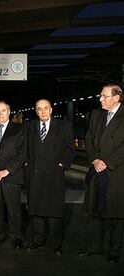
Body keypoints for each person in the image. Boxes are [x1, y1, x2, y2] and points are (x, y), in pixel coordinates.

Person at [80, 84, 124, 263]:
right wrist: (94, 160)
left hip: (116, 171)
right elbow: (89, 138)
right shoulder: (96, 115)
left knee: (116, 214)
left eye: (104, 96)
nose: (100, 99)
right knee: (94, 211)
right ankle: (93, 247)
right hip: (96, 169)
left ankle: (114, 251)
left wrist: (107, 162)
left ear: (117, 98)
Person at [24, 99, 75, 255]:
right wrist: (26, 165)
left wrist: (63, 164)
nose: (43, 112)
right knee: (36, 209)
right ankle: (38, 239)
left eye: (46, 108)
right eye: (39, 109)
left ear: (51, 110)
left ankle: (55, 243)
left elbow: (69, 149)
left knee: (54, 210)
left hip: (54, 174)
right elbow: (25, 147)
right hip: (35, 174)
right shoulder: (29, 127)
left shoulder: (63, 126)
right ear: (36, 111)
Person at [0, 101, 26, 250]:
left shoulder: (19, 130)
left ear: (9, 112)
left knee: (13, 209)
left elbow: (22, 155)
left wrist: (7, 171)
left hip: (11, 176)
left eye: (3, 111)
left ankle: (16, 237)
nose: (0, 114)